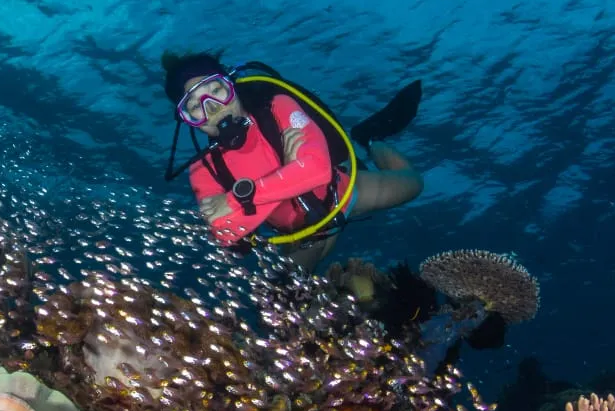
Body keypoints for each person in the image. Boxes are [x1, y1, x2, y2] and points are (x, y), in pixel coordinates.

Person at [162, 52, 425, 272]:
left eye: (216, 90)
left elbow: (318, 170)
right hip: (302, 237)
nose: (213, 107)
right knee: (282, 296)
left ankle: (368, 139)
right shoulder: (203, 169)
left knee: (414, 184)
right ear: (186, 119)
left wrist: (235, 201)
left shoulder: (278, 107)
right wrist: (289, 173)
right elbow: (226, 234)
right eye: (195, 106)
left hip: (344, 193)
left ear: (232, 86)